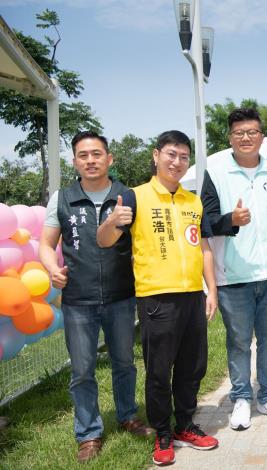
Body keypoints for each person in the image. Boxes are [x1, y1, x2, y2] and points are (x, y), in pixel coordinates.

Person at [97, 130, 218, 466]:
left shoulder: (193, 201)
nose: (177, 162)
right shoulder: (134, 197)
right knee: (159, 370)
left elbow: (204, 247)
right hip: (156, 298)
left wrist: (212, 289)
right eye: (171, 154)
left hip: (193, 295)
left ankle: (185, 425)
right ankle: (163, 433)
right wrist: (110, 222)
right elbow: (104, 241)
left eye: (183, 156)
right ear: (156, 155)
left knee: (193, 367)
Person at [39, 131, 152, 463]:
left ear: (109, 158)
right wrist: (51, 268)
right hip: (78, 299)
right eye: (83, 155)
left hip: (121, 296)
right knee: (83, 370)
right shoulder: (62, 198)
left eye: (97, 154)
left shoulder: (127, 196)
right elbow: (46, 244)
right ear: (75, 161)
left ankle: (128, 416)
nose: (91, 160)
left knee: (124, 362)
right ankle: (88, 434)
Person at [200, 109, 267, 430]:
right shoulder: (215, 170)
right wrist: (231, 221)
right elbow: (206, 223)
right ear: (230, 137)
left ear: (261, 137)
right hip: (233, 276)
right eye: (239, 132)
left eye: (252, 132)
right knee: (239, 342)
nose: (245, 138)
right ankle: (241, 398)